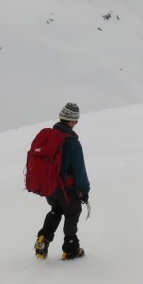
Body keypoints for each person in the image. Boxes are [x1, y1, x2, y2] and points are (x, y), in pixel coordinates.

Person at [34, 102, 91, 260]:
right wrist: (84, 190)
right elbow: (79, 169)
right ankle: (71, 248)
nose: (76, 124)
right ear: (71, 121)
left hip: (49, 186)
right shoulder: (72, 142)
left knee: (56, 210)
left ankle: (43, 239)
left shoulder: (49, 136)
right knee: (72, 212)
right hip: (66, 188)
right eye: (76, 121)